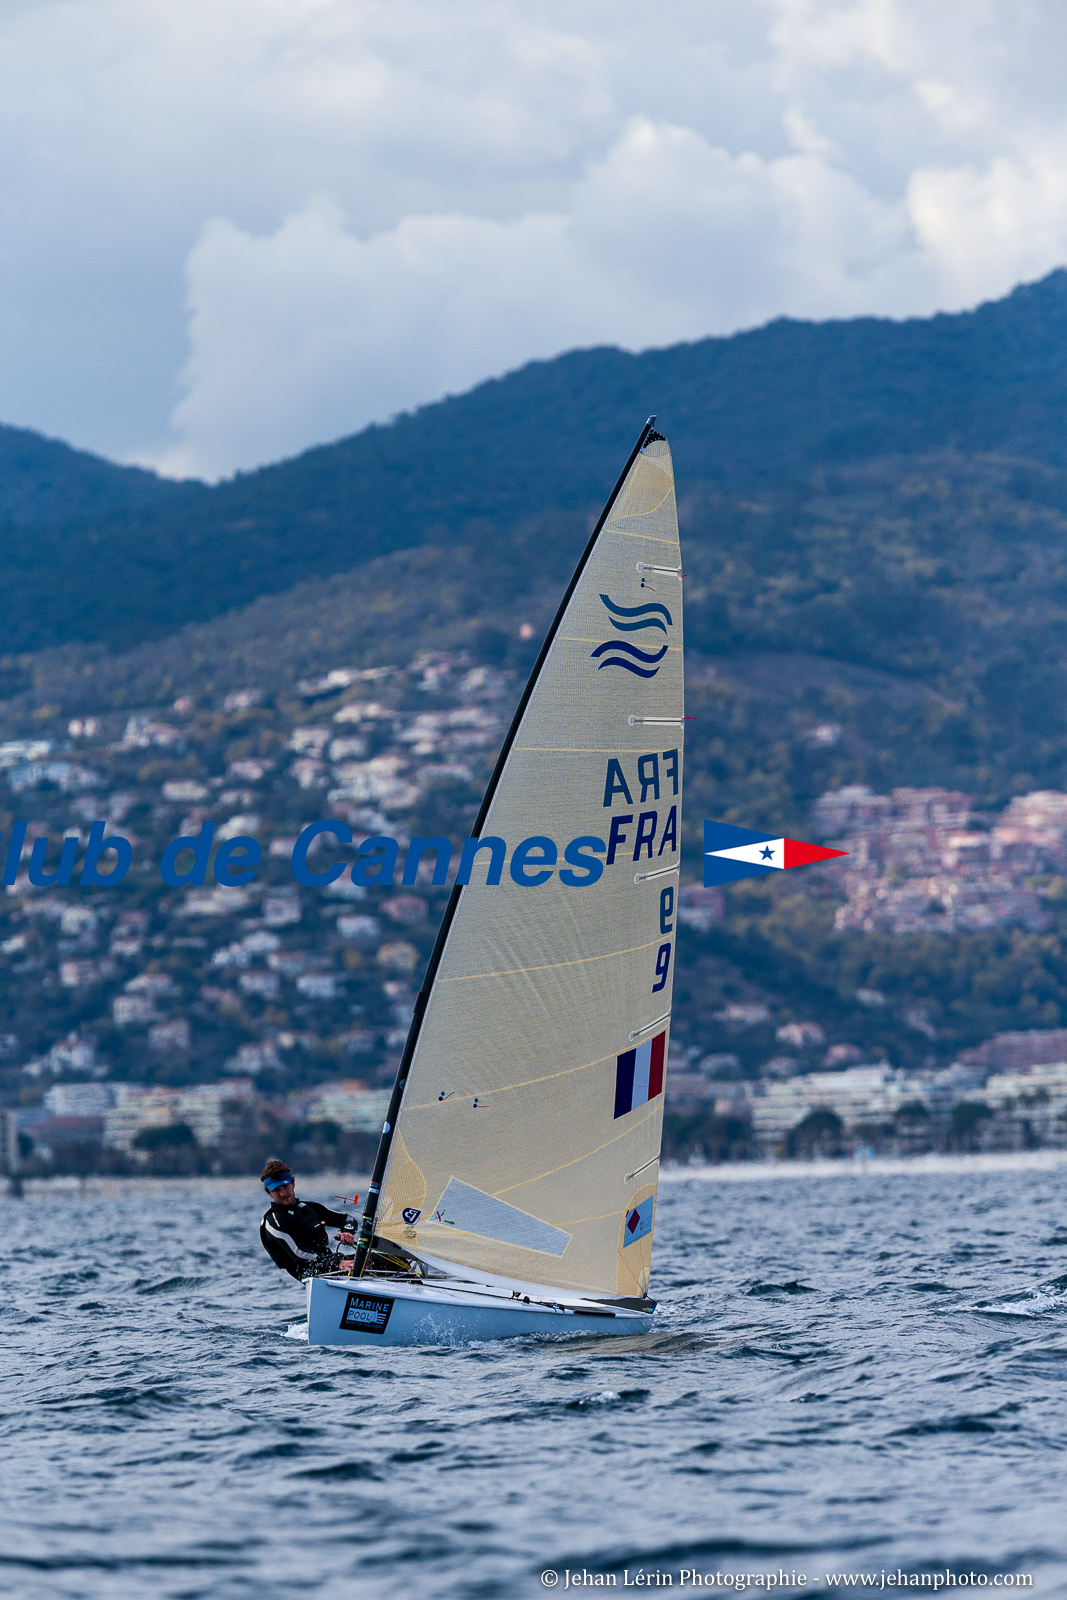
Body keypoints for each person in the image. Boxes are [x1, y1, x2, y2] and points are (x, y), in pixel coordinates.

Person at [259, 1158, 357, 1281]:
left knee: (376, 1259)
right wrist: (337, 1262)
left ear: (293, 1183)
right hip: (311, 1272)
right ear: (269, 1193)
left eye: (285, 1186)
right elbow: (299, 1253)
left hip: (333, 1263)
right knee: (357, 1267)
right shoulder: (274, 1220)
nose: (283, 1193)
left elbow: (347, 1218)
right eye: (276, 1190)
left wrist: (347, 1232)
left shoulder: (308, 1208)